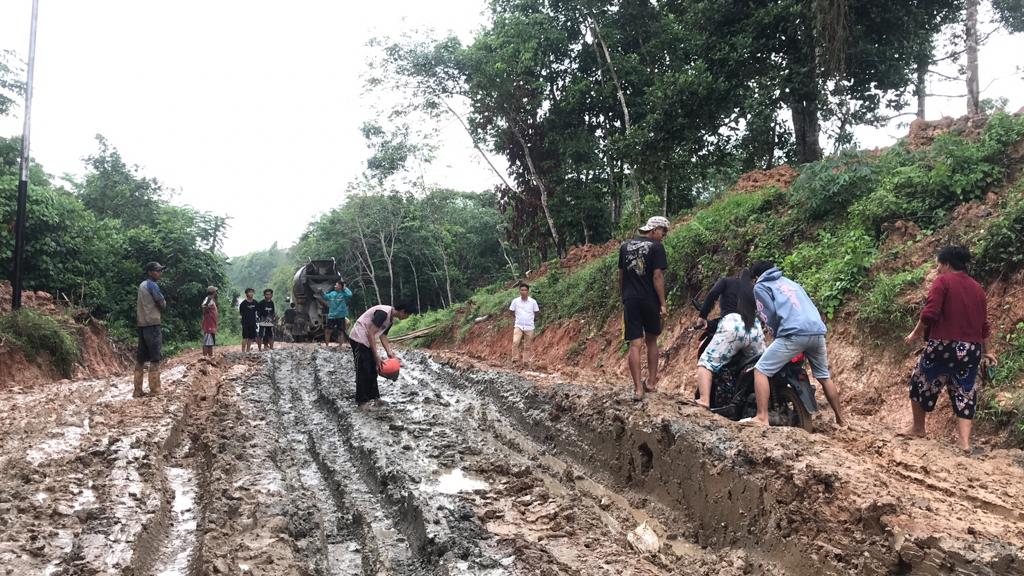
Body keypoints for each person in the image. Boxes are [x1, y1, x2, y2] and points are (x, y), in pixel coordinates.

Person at [904, 246, 996, 453]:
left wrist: (915, 334)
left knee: (921, 380)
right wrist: (987, 351)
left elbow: (929, 314)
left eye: (938, 265)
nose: (937, 269)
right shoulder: (977, 288)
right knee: (965, 390)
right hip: (972, 349)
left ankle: (918, 428)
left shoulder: (943, 282)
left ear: (946, 264)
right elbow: (984, 325)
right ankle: (964, 443)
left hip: (943, 345)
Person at [746, 261, 845, 427]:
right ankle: (842, 420)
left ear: (756, 277)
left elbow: (768, 314)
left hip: (794, 333)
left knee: (761, 370)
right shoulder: (791, 283)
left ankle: (762, 417)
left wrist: (776, 334)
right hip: (817, 331)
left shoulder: (761, 286)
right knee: (823, 376)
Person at [694, 269, 765, 408]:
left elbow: (712, 294)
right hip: (754, 326)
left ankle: (704, 400)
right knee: (762, 367)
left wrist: (702, 316)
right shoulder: (753, 289)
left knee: (706, 362)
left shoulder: (726, 281)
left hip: (732, 325)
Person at [619, 216, 670, 401]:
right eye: (663, 232)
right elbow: (657, 276)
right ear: (655, 229)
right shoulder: (656, 247)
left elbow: (622, 275)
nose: (663, 236)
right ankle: (651, 383)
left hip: (630, 299)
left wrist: (623, 297)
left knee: (635, 344)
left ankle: (638, 389)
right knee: (652, 341)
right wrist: (663, 303)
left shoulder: (625, 246)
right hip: (649, 299)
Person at [347, 302, 414, 410]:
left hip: (367, 340)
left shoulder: (390, 319)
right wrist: (376, 355)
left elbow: (383, 336)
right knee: (363, 370)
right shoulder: (383, 313)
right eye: (408, 315)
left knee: (374, 370)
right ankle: (362, 402)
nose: (407, 317)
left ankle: (375, 398)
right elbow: (370, 333)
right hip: (359, 339)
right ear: (402, 311)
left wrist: (389, 352)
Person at [134, 261, 167, 398]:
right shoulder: (152, 285)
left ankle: (137, 390)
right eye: (157, 271)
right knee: (155, 357)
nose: (160, 273)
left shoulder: (142, 285)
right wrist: (163, 304)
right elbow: (162, 303)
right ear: (150, 272)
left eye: (160, 270)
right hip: (152, 324)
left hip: (142, 324)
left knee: (140, 358)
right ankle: (155, 389)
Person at [509, 282, 540, 366]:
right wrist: (516, 318)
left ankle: (525, 361)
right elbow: (511, 311)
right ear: (519, 291)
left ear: (528, 291)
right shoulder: (515, 301)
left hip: (529, 326)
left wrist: (533, 319)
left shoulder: (533, 302)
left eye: (525, 290)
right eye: (522, 290)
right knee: (515, 342)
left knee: (527, 345)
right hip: (518, 325)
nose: (523, 292)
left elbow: (537, 312)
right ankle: (515, 360)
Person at [320, 280, 353, 347]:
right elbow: (325, 297)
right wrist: (321, 292)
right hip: (332, 316)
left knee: (340, 331)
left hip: (341, 316)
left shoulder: (344, 294)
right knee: (328, 331)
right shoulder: (332, 294)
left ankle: (340, 346)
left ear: (340, 286)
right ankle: (327, 345)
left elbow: (350, 295)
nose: (335, 286)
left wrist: (345, 288)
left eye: (336, 285)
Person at [201, 286, 218, 358]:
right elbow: (203, 305)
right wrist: (206, 310)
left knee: (209, 341)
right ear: (213, 292)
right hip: (209, 324)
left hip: (211, 323)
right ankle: (207, 357)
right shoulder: (208, 299)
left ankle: (209, 356)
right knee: (208, 342)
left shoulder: (211, 299)